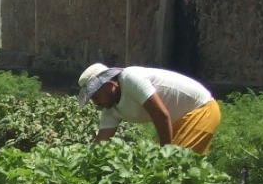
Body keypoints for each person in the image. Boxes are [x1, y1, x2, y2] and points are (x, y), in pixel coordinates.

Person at [78, 62, 221, 154]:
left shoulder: (130, 78)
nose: (95, 103)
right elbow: (101, 141)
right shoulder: (110, 108)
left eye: (96, 96)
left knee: (177, 166)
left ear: (110, 86)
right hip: (176, 121)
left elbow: (161, 115)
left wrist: (165, 154)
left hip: (201, 109)